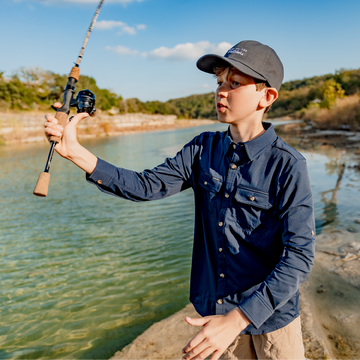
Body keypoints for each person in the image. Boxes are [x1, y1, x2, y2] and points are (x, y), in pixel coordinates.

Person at [44, 40, 315, 360]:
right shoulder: (203, 148)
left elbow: (299, 256)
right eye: (219, 82)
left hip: (272, 320)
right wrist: (75, 152)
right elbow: (146, 186)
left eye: (235, 83)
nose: (221, 91)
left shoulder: (288, 164)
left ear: (266, 96)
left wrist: (239, 318)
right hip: (214, 314)